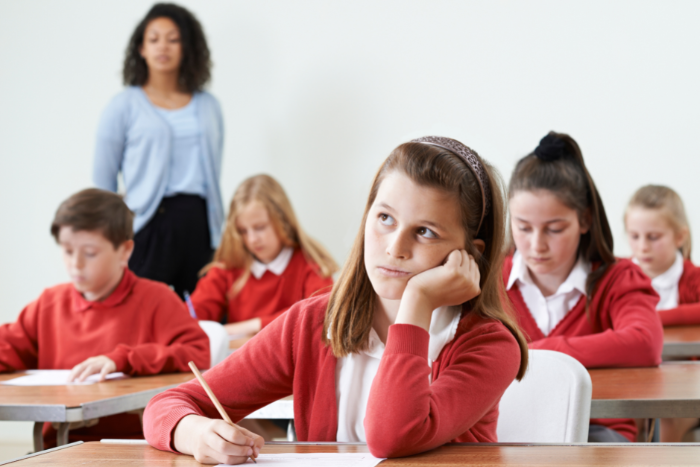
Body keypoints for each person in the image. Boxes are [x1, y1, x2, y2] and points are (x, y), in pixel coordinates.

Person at [143, 136, 528, 464]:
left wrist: (417, 303)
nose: (395, 248)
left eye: (425, 232)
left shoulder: (490, 345)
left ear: (469, 254)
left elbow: (393, 436)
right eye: (385, 219)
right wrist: (195, 433)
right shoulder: (312, 323)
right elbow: (166, 405)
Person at [0, 188, 210, 446]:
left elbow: (198, 352)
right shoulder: (49, 303)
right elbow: (8, 346)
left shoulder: (157, 299)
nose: (75, 263)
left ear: (124, 251)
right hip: (58, 448)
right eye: (67, 251)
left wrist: (125, 359)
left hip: (133, 447)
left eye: (89, 253)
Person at [503, 131, 663, 443]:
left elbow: (645, 342)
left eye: (554, 229)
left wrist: (530, 353)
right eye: (523, 227)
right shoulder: (489, 279)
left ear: (585, 220)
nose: (536, 245)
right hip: (509, 432)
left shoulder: (618, 277)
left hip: (597, 431)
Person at [93, 3, 224, 298]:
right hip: (146, 224)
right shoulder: (123, 105)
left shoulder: (208, 107)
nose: (162, 46)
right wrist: (115, 235)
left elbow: (214, 174)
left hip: (199, 224)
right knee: (142, 313)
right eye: (153, 39)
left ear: (187, 46)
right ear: (141, 48)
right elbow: (103, 184)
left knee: (201, 314)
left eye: (173, 38)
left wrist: (219, 232)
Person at [191, 174, 337, 336]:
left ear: (282, 220)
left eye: (260, 227)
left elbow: (319, 317)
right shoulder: (229, 267)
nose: (252, 239)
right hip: (238, 358)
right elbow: (192, 318)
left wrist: (251, 326)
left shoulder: (311, 265)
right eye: (243, 231)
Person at [625, 184, 700, 441]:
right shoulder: (619, 278)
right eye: (634, 236)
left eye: (653, 237)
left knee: (669, 415)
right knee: (627, 415)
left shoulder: (693, 278)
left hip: (687, 384)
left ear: (679, 237)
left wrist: (650, 322)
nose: (642, 246)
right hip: (634, 378)